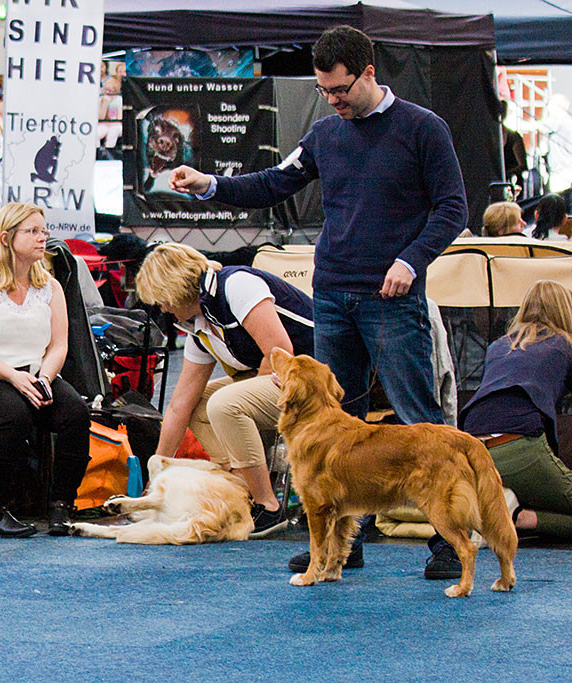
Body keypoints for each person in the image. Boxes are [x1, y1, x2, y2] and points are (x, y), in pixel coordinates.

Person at [167, 26, 469, 578]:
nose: (332, 101)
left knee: (418, 418)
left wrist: (410, 260)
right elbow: (272, 184)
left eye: (340, 90)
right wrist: (210, 184)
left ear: (369, 73)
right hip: (331, 295)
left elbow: (453, 209)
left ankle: (449, 541)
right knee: (336, 423)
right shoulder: (326, 134)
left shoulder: (424, 129)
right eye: (325, 91)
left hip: (393, 300)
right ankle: (341, 545)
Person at [135, 243, 315, 536]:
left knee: (223, 403)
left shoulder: (237, 285)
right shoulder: (199, 326)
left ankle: (267, 504)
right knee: (199, 402)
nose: (162, 308)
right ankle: (239, 487)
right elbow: (179, 404)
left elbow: (279, 351)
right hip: (280, 379)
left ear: (172, 289)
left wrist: (249, 409)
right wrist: (154, 473)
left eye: (160, 300)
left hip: (314, 377)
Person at [0, 202, 90, 537]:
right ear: (5, 237)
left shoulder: (51, 286)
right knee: (14, 415)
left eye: (44, 231)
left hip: (35, 373)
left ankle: (61, 506)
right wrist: (13, 377)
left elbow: (59, 346)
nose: (43, 238)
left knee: (76, 413)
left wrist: (44, 379)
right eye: (32, 231)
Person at [461, 280, 572, 539]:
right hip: (520, 447)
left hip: (474, 449)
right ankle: (522, 518)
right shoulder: (564, 345)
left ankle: (511, 505)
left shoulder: (499, 346)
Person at [97, 77, 123, 149]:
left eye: (110, 91)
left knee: (114, 130)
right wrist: (105, 103)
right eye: (106, 90)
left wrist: (110, 123)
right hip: (103, 124)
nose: (108, 92)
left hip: (116, 125)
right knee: (96, 133)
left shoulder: (119, 100)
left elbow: (119, 118)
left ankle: (108, 151)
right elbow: (101, 117)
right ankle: (98, 152)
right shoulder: (100, 99)